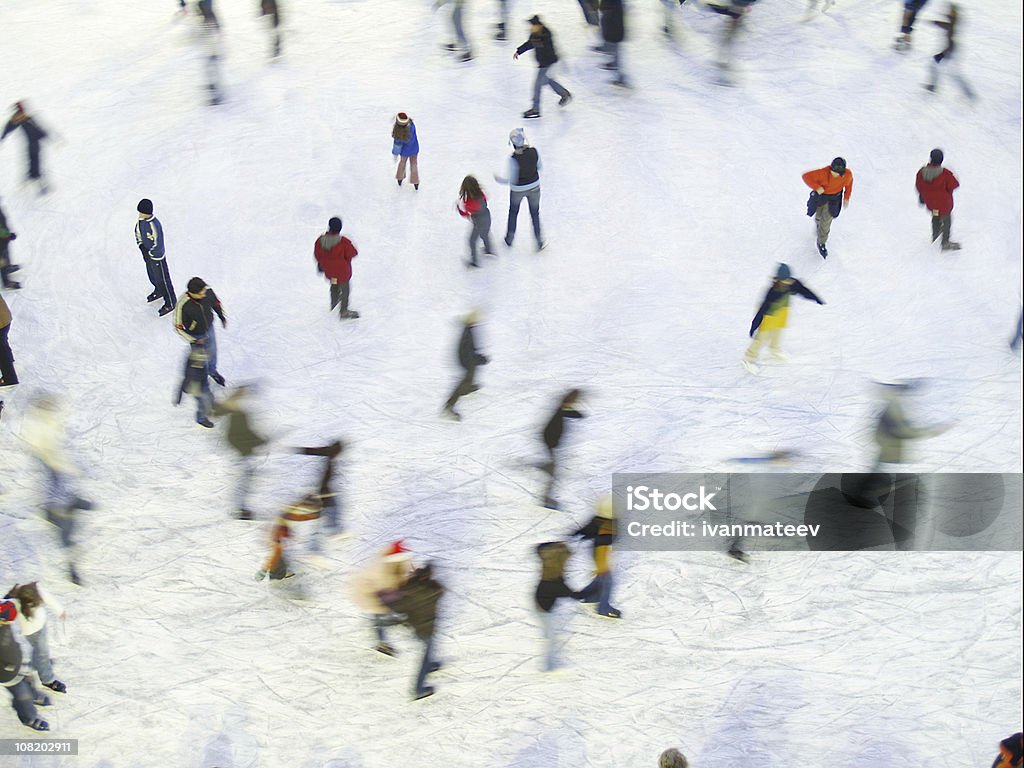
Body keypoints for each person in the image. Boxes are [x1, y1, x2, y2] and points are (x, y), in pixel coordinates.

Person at [20, 394, 93, 584]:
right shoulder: (40, 433)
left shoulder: (48, 427)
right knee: (66, 532)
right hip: (56, 503)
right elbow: (43, 450)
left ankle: (69, 505)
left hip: (58, 488)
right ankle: (72, 568)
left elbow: (53, 448)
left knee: (62, 494)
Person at [379, 563, 445, 700]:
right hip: (426, 628)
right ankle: (418, 689)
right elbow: (440, 589)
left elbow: (398, 606)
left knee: (428, 650)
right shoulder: (433, 589)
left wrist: (411, 580)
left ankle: (429, 666)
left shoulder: (409, 590)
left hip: (418, 626)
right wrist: (417, 578)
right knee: (426, 653)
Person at [743, 263, 824, 372]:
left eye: (788, 280)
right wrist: (755, 325)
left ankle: (774, 348)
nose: (787, 284)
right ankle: (749, 357)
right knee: (761, 338)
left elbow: (803, 290)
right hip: (769, 316)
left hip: (781, 314)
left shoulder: (792, 283)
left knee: (777, 333)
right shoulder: (773, 292)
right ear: (778, 280)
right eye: (784, 281)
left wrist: (815, 298)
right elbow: (762, 309)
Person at [350, 541, 416, 656]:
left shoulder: (400, 562)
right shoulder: (378, 569)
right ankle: (381, 642)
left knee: (389, 612)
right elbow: (365, 585)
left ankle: (391, 624)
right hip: (374, 595)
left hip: (389, 593)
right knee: (379, 616)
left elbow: (408, 572)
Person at [211, 386, 267, 519]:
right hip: (241, 453)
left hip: (242, 452)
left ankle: (241, 508)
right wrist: (257, 441)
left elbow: (244, 433)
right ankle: (239, 509)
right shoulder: (237, 413)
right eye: (244, 395)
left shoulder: (236, 411)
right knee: (243, 480)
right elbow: (237, 435)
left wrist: (258, 440)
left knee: (245, 479)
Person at [4, 583, 67, 697]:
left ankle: (47, 679)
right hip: (24, 634)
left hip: (40, 628)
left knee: (42, 652)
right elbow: (3, 606)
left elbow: (50, 600)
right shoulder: (16, 602)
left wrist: (60, 611)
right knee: (25, 657)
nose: (33, 606)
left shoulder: (38, 590)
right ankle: (26, 681)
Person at [534, 541, 586, 672]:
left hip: (539, 602)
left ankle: (546, 633)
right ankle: (549, 666)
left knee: (547, 626)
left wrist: (556, 545)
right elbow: (576, 596)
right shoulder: (556, 583)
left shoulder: (547, 566)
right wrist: (596, 589)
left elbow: (539, 548)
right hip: (544, 609)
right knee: (552, 640)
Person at [1, 600, 49, 732]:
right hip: (8, 674)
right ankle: (29, 718)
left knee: (30, 682)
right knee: (22, 696)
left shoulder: (7, 626)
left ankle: (34, 695)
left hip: (19, 665)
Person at [571, 496, 621, 618]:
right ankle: (603, 608)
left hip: (599, 551)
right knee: (607, 580)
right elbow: (589, 529)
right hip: (599, 553)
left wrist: (585, 535)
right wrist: (578, 533)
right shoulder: (606, 522)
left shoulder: (604, 521)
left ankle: (590, 597)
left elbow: (610, 538)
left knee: (601, 576)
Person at [514, 16, 572, 119]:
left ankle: (535, 109)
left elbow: (541, 45)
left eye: (533, 26)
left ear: (539, 25)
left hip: (548, 63)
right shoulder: (536, 34)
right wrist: (519, 51)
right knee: (547, 81)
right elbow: (529, 44)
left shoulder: (545, 34)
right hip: (543, 64)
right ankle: (564, 94)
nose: (531, 28)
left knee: (537, 85)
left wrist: (536, 41)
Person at [255, 494, 323, 581]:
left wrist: (311, 514)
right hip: (275, 537)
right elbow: (295, 517)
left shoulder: (291, 510)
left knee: (282, 556)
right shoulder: (286, 516)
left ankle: (278, 573)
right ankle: (275, 575)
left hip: (277, 533)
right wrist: (263, 571)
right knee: (278, 556)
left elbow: (295, 516)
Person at [174, 277, 228, 386]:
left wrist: (222, 317)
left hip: (209, 328)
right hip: (196, 336)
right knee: (199, 361)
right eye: (201, 294)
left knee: (212, 353)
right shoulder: (183, 304)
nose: (204, 295)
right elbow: (178, 327)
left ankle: (212, 371)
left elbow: (216, 303)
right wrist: (193, 340)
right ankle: (200, 380)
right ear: (192, 293)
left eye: (204, 292)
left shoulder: (207, 291)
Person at [498, 128, 546, 250]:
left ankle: (509, 239)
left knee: (513, 213)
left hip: (517, 190)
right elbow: (540, 166)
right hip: (535, 187)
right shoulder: (534, 151)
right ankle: (539, 241)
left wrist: (500, 179)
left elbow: (512, 179)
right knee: (535, 214)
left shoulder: (513, 159)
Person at [539, 388, 584, 509]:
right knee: (554, 475)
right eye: (574, 402)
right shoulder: (559, 412)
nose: (575, 404)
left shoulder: (562, 408)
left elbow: (572, 413)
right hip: (549, 442)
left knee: (552, 466)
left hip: (550, 442)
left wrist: (579, 414)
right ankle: (546, 499)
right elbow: (548, 431)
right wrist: (553, 443)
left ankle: (545, 465)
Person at [802, 157, 853, 258]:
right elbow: (806, 176)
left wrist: (846, 197)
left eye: (836, 173)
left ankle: (821, 242)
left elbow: (849, 184)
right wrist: (817, 187)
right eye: (832, 171)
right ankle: (818, 225)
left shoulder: (847, 175)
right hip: (821, 197)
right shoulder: (823, 173)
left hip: (834, 199)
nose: (833, 174)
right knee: (818, 217)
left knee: (826, 222)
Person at [443, 310, 489, 420]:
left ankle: (467, 388)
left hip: (467, 359)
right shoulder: (467, 332)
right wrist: (478, 359)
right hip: (467, 360)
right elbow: (467, 350)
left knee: (470, 377)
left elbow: (470, 349)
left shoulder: (468, 330)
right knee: (465, 380)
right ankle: (449, 406)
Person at [294, 441, 345, 539]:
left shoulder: (328, 453)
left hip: (323, 491)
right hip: (322, 492)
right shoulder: (328, 453)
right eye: (338, 452)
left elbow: (313, 451)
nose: (337, 455)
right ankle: (331, 528)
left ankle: (331, 528)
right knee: (329, 509)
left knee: (329, 509)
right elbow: (313, 451)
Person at [135, 199, 176, 317]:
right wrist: (142, 247)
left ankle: (171, 301)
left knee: (163, 279)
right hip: (147, 256)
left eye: (141, 212)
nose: (139, 214)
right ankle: (158, 290)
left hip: (157, 258)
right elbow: (138, 234)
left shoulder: (154, 224)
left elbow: (159, 243)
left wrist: (152, 254)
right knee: (152, 275)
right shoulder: (140, 222)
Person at [925, 4, 975, 99]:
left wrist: (936, 22)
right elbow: (947, 24)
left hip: (950, 49)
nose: (949, 12)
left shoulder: (953, 22)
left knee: (949, 71)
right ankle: (967, 92)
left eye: (951, 11)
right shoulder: (953, 20)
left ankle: (933, 86)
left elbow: (947, 26)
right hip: (950, 48)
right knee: (944, 69)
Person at [313, 217, 359, 319]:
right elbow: (353, 253)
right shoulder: (343, 242)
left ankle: (334, 305)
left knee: (334, 286)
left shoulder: (320, 241)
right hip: (342, 273)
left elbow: (317, 255)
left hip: (330, 272)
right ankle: (343, 311)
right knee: (345, 290)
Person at [915, 148, 961, 251]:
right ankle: (945, 242)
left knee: (935, 217)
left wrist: (924, 194)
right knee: (946, 221)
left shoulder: (921, 172)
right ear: (941, 160)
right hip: (944, 205)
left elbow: (918, 186)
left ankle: (935, 236)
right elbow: (954, 184)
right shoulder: (945, 173)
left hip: (932, 204)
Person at [0, 102, 50, 194]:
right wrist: (2, 137)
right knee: (31, 161)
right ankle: (32, 177)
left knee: (35, 162)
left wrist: (46, 136)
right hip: (31, 145)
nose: (20, 115)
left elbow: (39, 129)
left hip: (35, 144)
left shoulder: (28, 118)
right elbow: (8, 127)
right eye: (19, 113)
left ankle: (39, 181)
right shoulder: (18, 119)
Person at [457, 176, 495, 268]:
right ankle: (488, 249)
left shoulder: (469, 202)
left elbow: (465, 213)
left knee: (472, 241)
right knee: (485, 234)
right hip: (487, 216)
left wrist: (459, 207)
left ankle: (474, 261)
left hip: (478, 222)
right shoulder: (481, 194)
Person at [177, 345, 215, 428]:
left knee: (209, 397)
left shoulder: (201, 362)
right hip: (195, 386)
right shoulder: (191, 371)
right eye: (200, 361)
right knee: (202, 403)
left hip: (203, 381)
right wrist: (179, 396)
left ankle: (209, 409)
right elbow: (185, 381)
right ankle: (201, 419)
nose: (202, 362)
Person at [599, 0, 627, 86]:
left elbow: (610, 11)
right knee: (615, 49)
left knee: (616, 50)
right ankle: (614, 63)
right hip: (614, 26)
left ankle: (620, 78)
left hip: (614, 28)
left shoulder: (614, 3)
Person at [391, 113, 420, 189]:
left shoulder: (399, 133)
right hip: (414, 149)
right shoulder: (412, 125)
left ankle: (400, 178)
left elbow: (397, 145)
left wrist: (395, 154)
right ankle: (415, 181)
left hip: (404, 152)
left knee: (402, 163)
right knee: (414, 165)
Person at [0, 198, 21, 290]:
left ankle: (8, 268)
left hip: (3, 239)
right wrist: (8, 235)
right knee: (2, 261)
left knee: (6, 255)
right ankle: (6, 282)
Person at [0, 293, 16, 389]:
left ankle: (10, 377)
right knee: (2, 344)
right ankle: (9, 360)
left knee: (1, 347)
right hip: (4, 318)